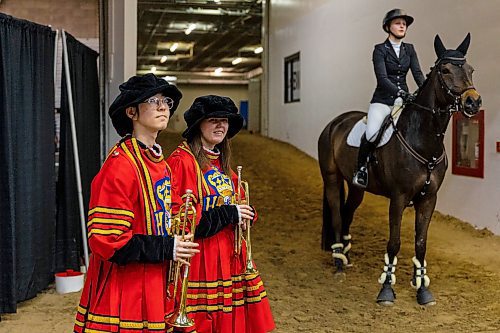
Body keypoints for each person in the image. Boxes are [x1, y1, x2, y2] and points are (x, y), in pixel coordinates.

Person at [74, 74, 199, 333]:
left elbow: (173, 208)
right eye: (153, 101)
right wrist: (167, 246)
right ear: (132, 112)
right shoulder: (120, 165)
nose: (163, 106)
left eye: (166, 101)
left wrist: (186, 216)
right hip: (126, 289)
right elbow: (107, 241)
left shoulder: (159, 162)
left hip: (155, 280)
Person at [167, 95, 275, 333]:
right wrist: (228, 214)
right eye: (213, 120)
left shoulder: (219, 161)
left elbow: (237, 200)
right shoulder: (182, 161)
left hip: (227, 256)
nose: (220, 126)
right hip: (200, 260)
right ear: (198, 125)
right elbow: (180, 221)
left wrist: (246, 212)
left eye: (225, 121)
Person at [353, 9, 425, 188]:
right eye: (398, 23)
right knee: (371, 134)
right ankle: (360, 169)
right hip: (383, 100)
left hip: (405, 102)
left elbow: (417, 73)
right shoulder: (380, 50)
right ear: (387, 27)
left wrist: (424, 90)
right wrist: (400, 93)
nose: (402, 26)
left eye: (404, 24)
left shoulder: (410, 49)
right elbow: (382, 79)